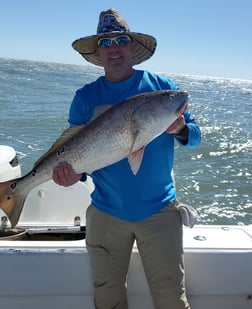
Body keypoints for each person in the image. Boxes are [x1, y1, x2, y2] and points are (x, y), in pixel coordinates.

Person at [53, 8, 201, 309]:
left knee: (172, 298)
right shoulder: (85, 97)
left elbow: (195, 137)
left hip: (160, 213)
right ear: (98, 51)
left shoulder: (162, 89)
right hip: (106, 213)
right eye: (105, 43)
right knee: (107, 299)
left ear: (132, 46)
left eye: (120, 40)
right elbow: (79, 153)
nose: (114, 48)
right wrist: (72, 175)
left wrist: (182, 129)